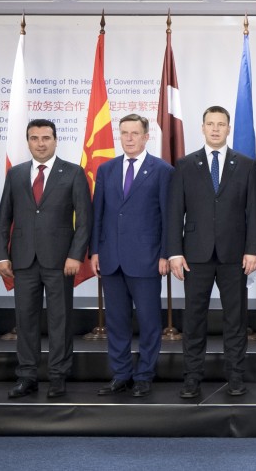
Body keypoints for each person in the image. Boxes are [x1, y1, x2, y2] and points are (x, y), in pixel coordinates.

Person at [168, 106, 256, 399]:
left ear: (229, 128)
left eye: (221, 124)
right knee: (194, 320)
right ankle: (192, 379)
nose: (216, 129)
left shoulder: (246, 165)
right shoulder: (185, 165)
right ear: (203, 127)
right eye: (211, 124)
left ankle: (235, 377)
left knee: (235, 320)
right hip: (195, 256)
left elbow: (255, 212)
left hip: (235, 255)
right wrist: (174, 252)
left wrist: (253, 250)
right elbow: (174, 213)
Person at [0, 119, 91, 398]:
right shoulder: (16, 174)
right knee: (25, 321)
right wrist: (1, 255)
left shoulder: (73, 173)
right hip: (23, 261)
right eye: (34, 138)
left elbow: (85, 221)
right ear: (28, 142)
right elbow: (4, 219)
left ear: (56, 140)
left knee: (60, 321)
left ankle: (58, 376)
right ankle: (27, 377)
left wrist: (76, 255)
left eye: (46, 137)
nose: (40, 143)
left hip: (61, 262)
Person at [93, 114, 173, 398]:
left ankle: (144, 375)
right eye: (124, 133)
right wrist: (95, 250)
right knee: (116, 321)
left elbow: (168, 216)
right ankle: (121, 374)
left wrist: (166, 253)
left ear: (146, 136)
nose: (128, 138)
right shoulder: (107, 169)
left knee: (150, 322)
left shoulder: (162, 170)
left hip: (148, 259)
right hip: (111, 258)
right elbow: (98, 214)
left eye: (134, 133)